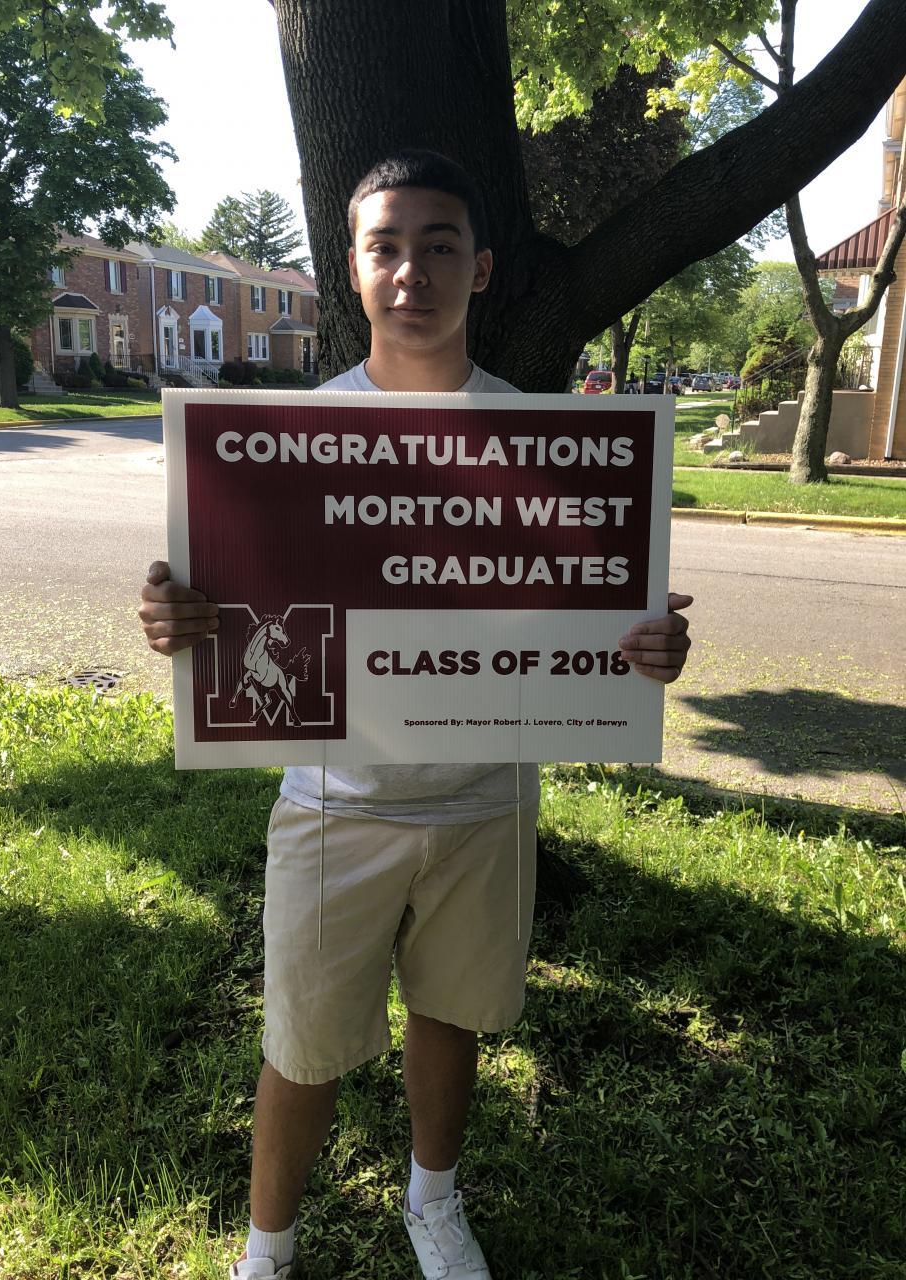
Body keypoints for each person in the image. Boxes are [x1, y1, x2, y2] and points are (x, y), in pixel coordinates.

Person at [139, 150, 693, 1280]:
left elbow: (590, 622)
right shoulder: (291, 441)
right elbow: (235, 612)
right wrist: (178, 619)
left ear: (480, 267)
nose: (412, 271)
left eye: (439, 245)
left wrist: (645, 650)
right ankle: (266, 1247)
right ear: (352, 268)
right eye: (385, 247)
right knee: (301, 1041)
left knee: (452, 1016)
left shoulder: (547, 443)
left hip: (487, 804)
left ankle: (433, 1201)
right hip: (336, 804)